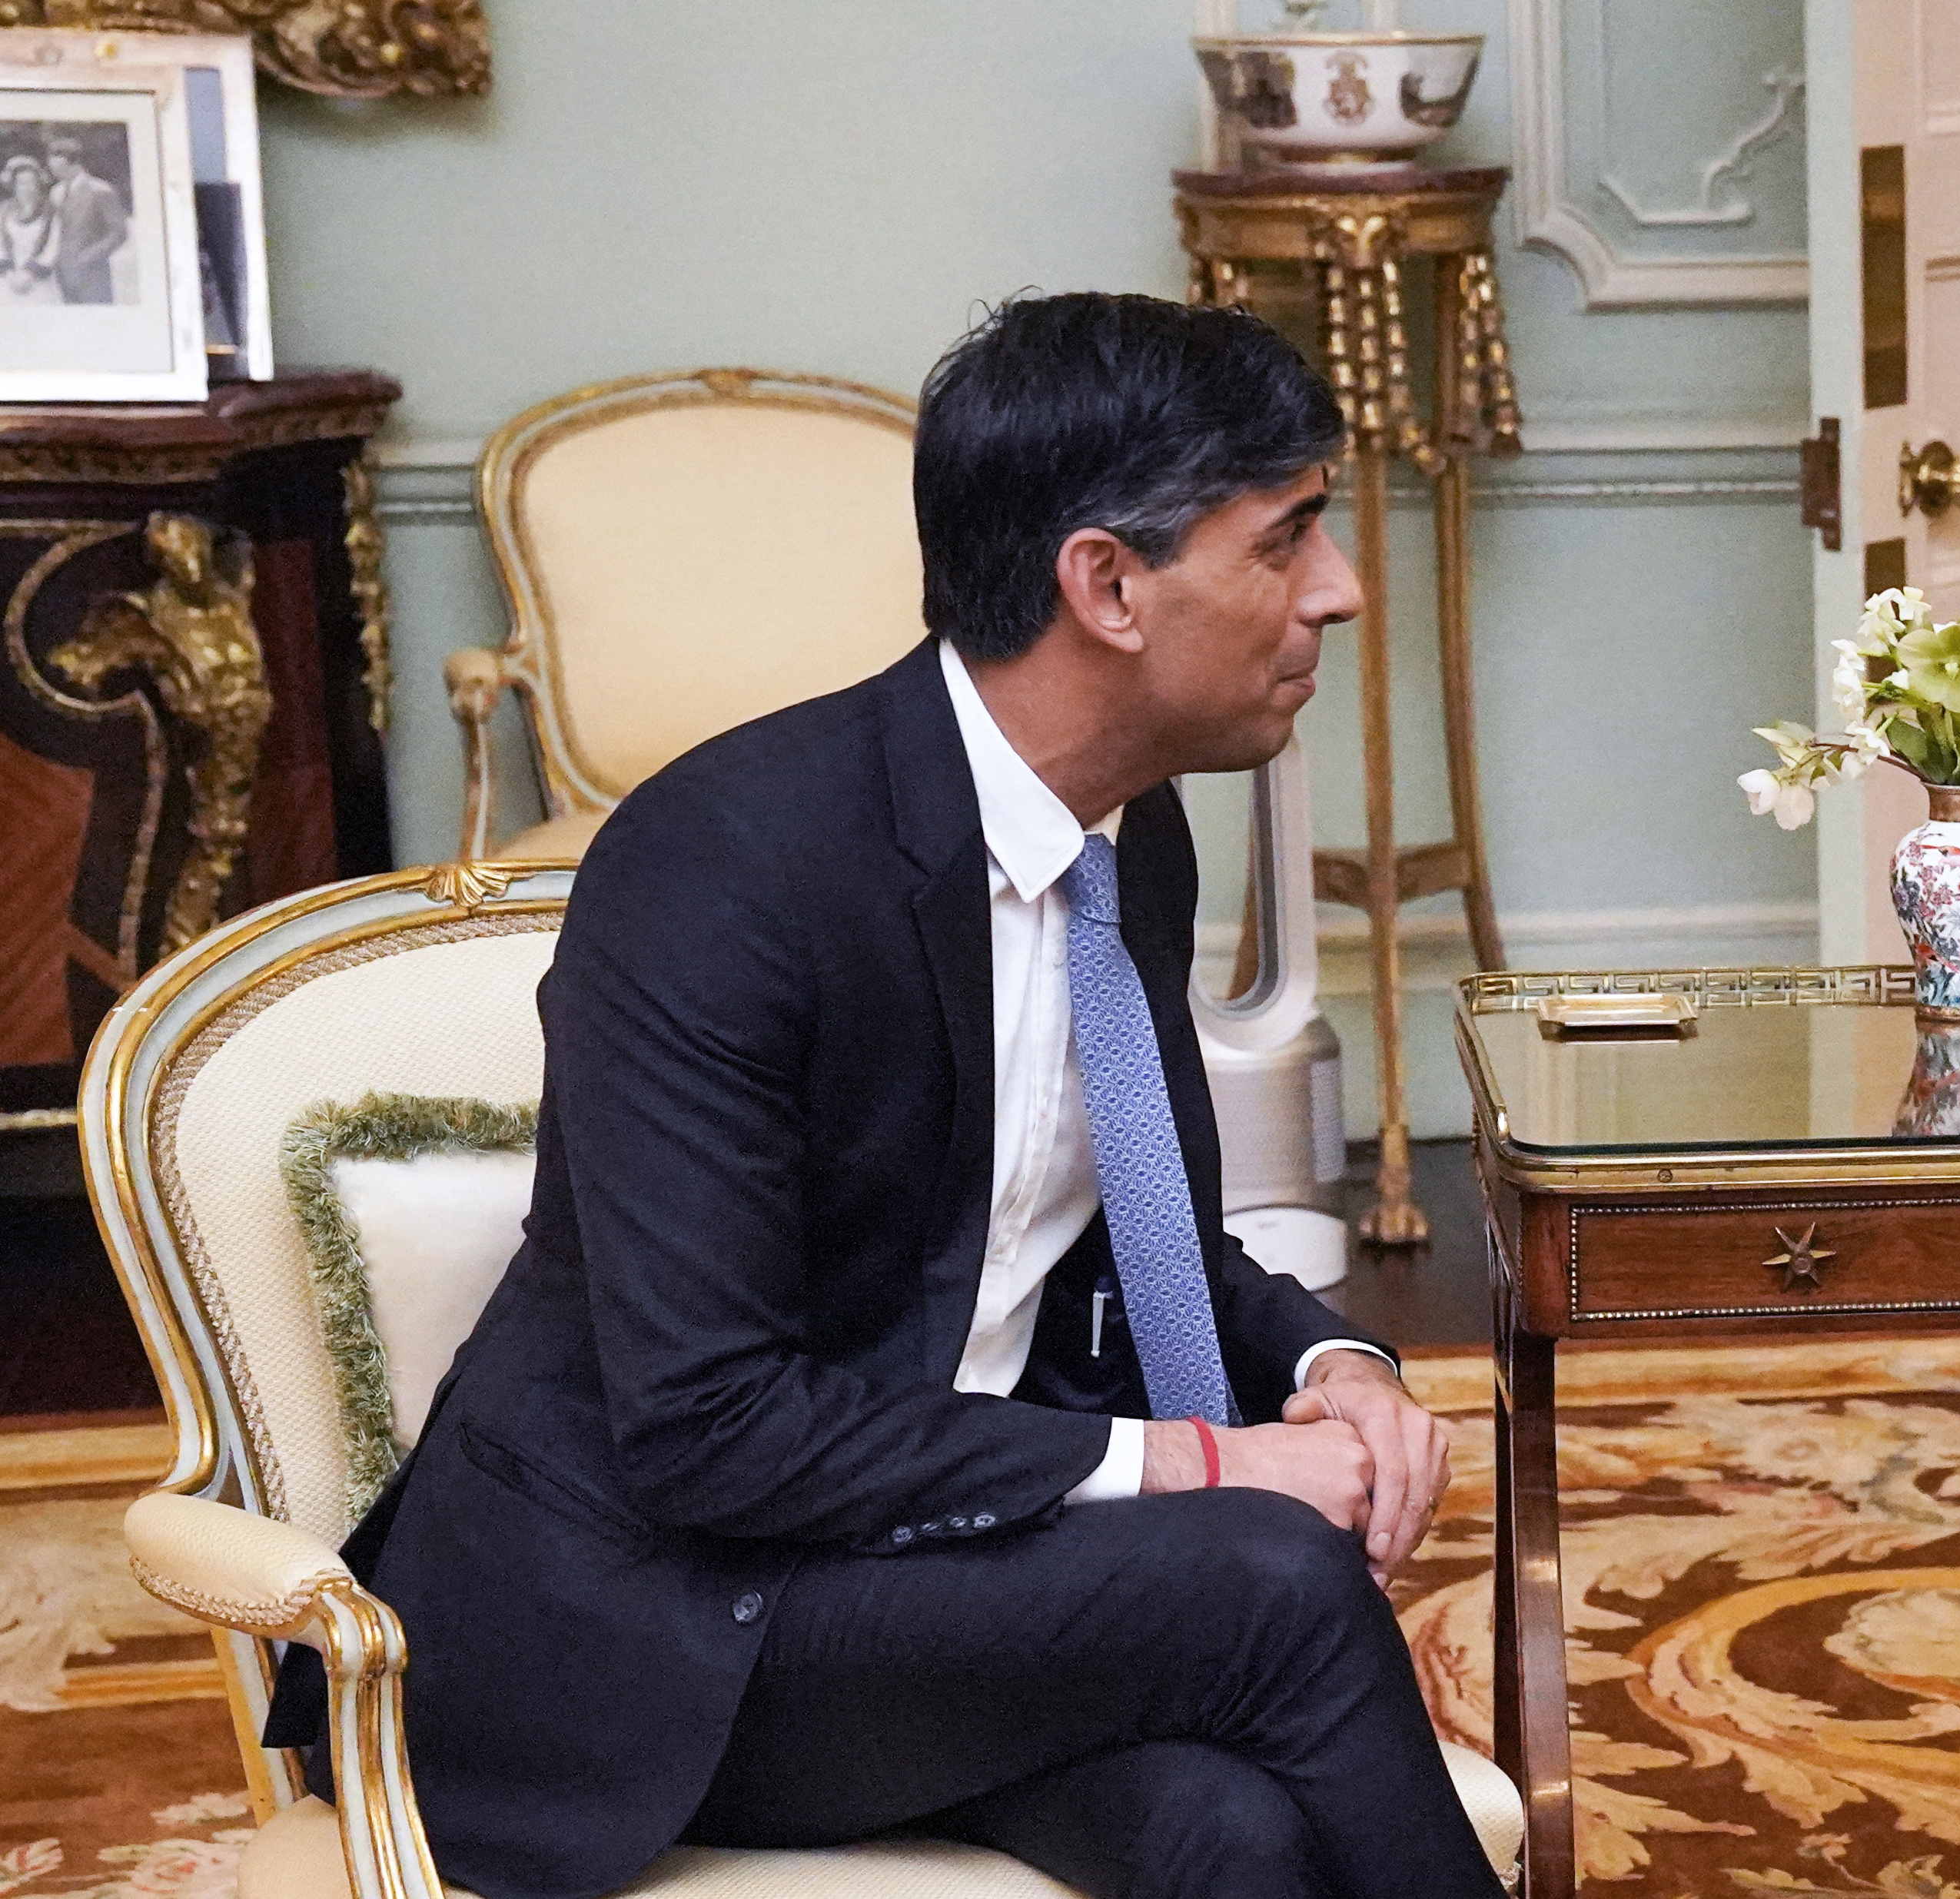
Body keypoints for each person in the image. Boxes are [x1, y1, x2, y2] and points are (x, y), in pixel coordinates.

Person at [267, 293, 1497, 1899]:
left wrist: (1335, 1364)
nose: (1334, 594)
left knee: (1228, 1828)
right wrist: (1202, 1466)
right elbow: (711, 1428)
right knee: (1266, 1569)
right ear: (1106, 583)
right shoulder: (726, 870)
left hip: (942, 1570)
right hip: (665, 1619)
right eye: (1286, 540)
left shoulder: (1131, 829)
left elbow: (1133, 1239)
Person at [44, 136, 124, 304]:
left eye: (57, 162)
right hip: (62, 274)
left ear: (70, 162)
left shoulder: (101, 191)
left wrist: (89, 256)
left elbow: (118, 233)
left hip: (93, 274)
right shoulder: (56, 192)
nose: (52, 168)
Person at [0, 158, 56, 302]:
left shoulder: (50, 213)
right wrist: (9, 274)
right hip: (9, 281)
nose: (28, 188)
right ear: (14, 185)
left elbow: (52, 248)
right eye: (22, 183)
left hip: (39, 282)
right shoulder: (5, 213)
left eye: (32, 183)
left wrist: (30, 274)